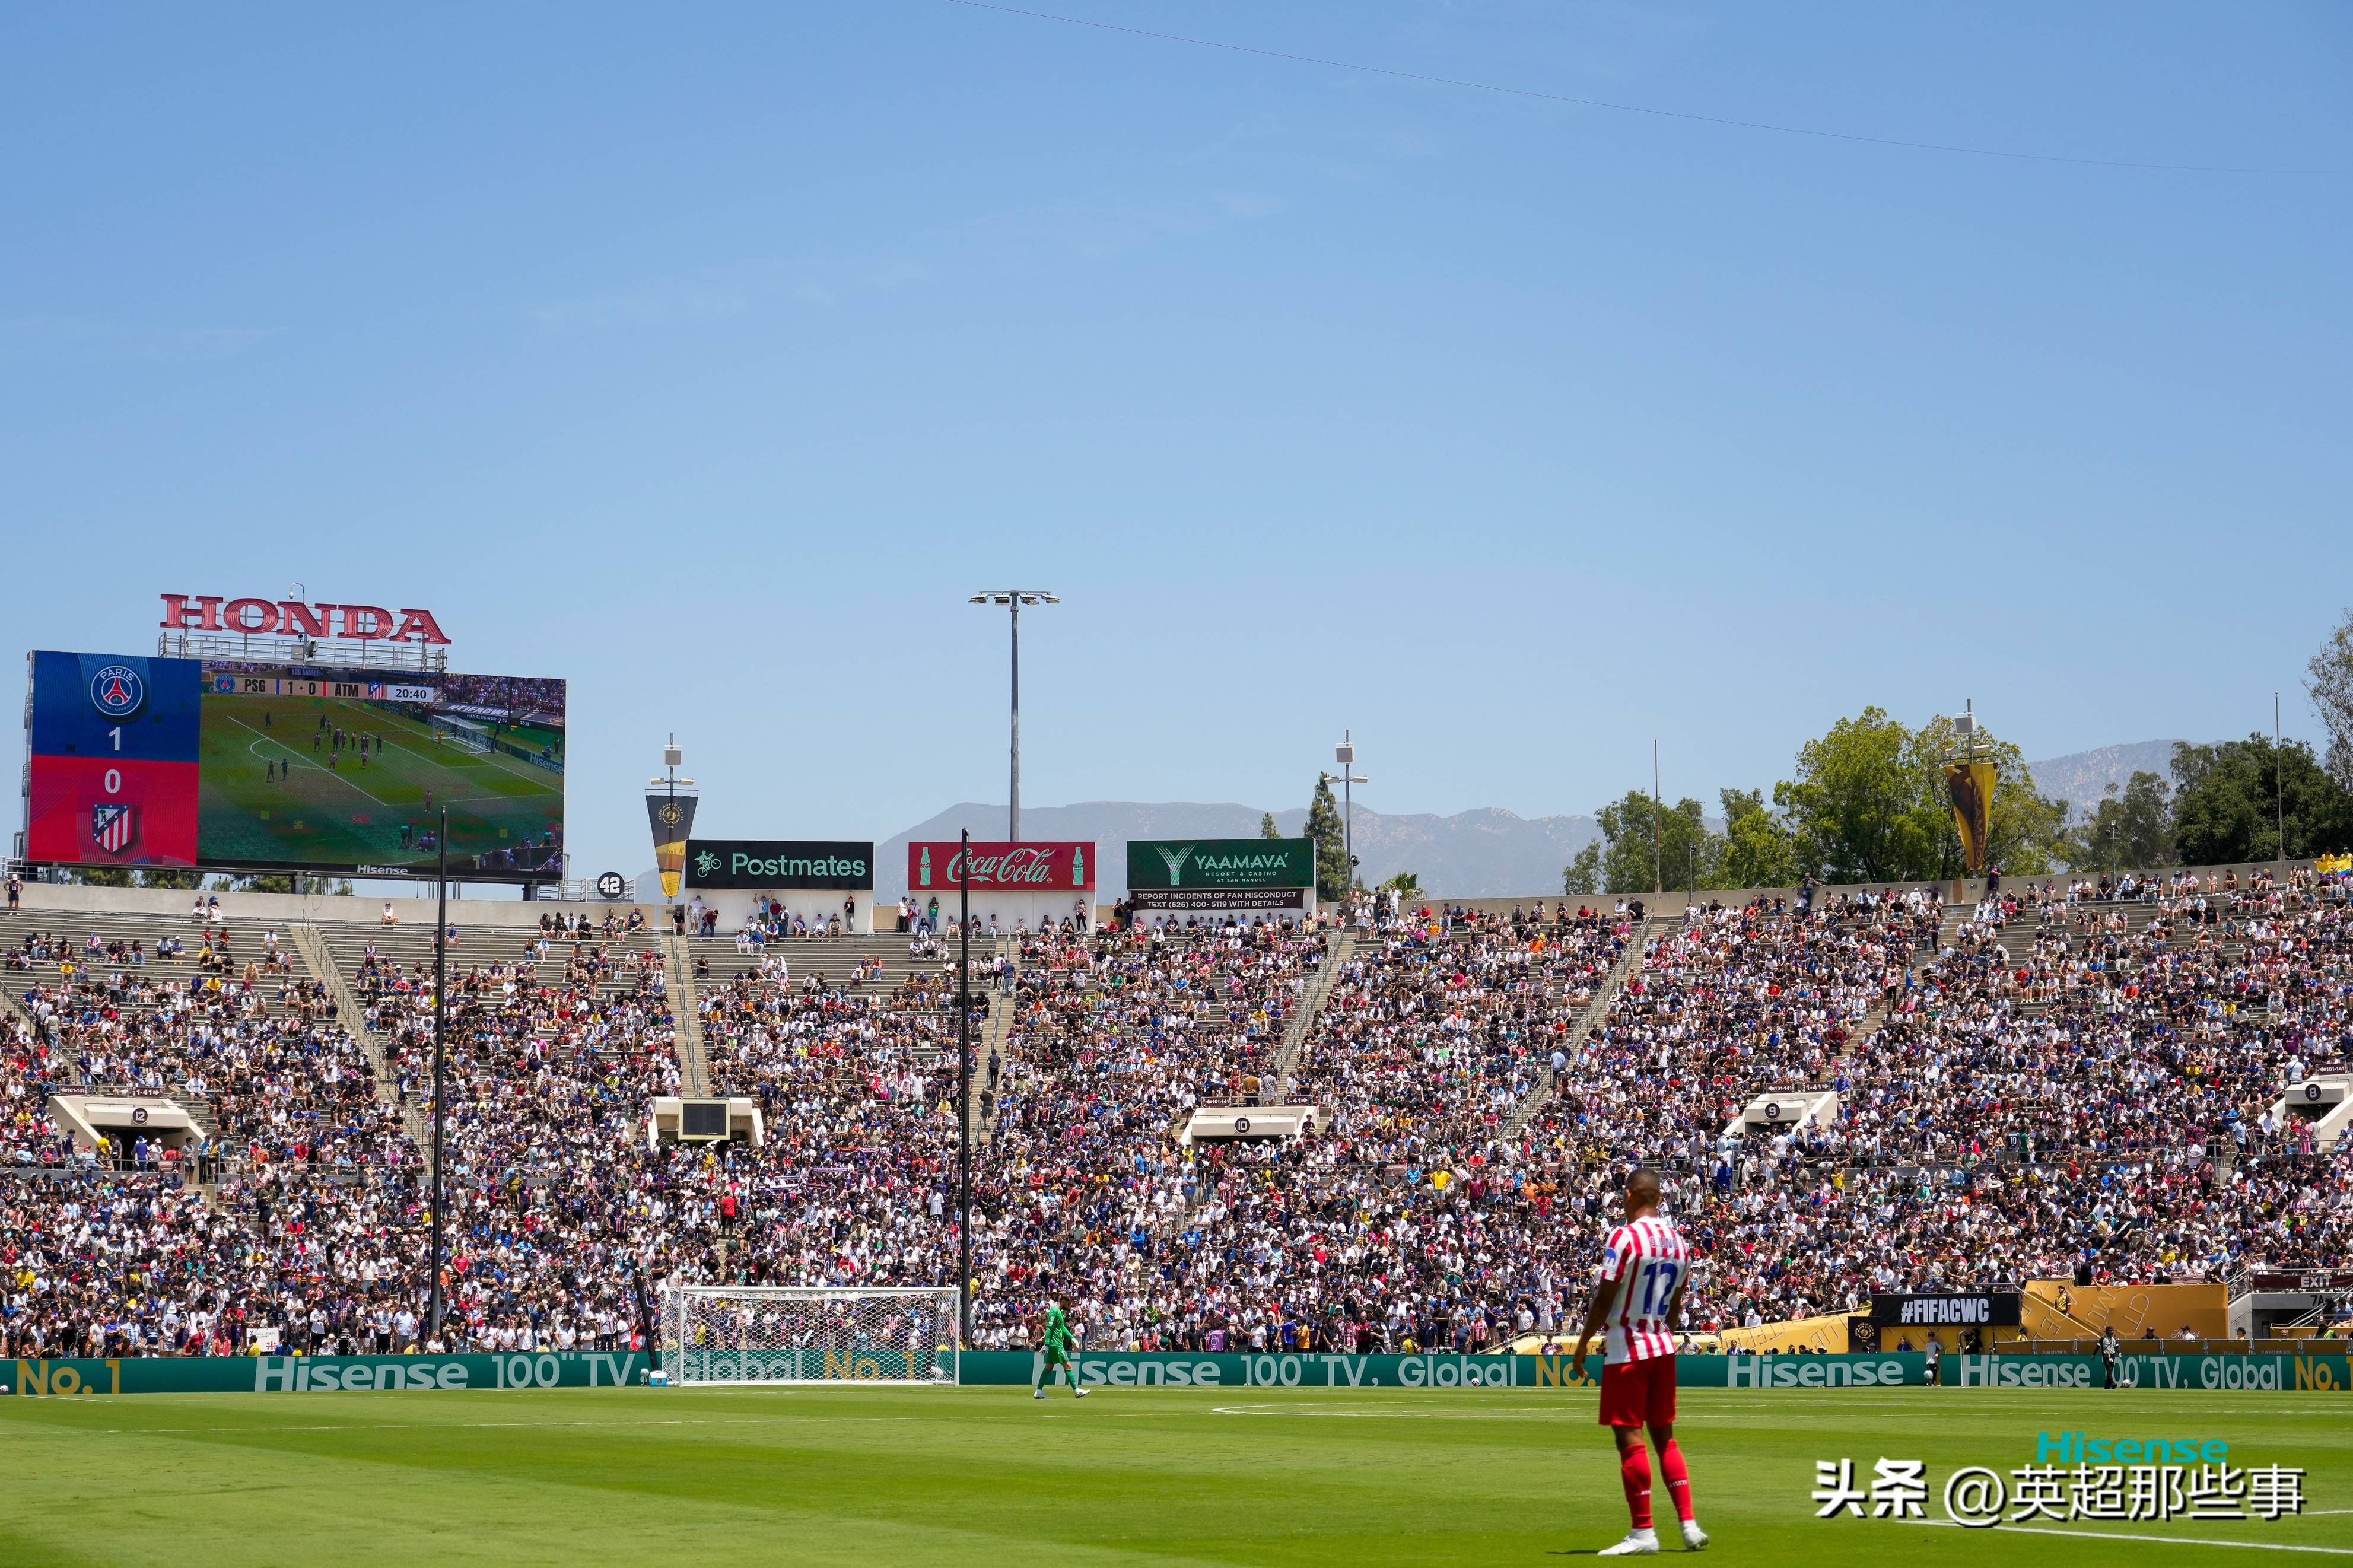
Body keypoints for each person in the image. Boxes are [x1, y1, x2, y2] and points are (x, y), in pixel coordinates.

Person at [1572, 1169, 1706, 1556]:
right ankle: (1689, 1524)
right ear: (1660, 1197)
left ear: (1630, 1194)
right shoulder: (1679, 1242)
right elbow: (1677, 1308)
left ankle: (1643, 1532)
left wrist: (1583, 1344)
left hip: (1627, 1347)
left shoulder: (1624, 1236)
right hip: (1663, 1345)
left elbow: (1604, 1296)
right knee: (1665, 1437)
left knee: (1629, 1437)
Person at [1032, 1295, 1087, 1400]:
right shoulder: (1054, 1311)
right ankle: (1077, 1391)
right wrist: (1047, 1344)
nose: (1070, 1306)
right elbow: (1049, 1328)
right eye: (1069, 1304)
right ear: (1063, 1301)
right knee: (1068, 1366)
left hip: (1055, 1343)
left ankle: (1038, 1391)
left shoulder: (1059, 1311)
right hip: (1055, 1344)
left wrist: (1072, 1338)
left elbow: (1061, 1327)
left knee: (1049, 1367)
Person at [2099, 1325, 2120, 1389]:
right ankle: (2112, 1383)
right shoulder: (2103, 1338)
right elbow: (2098, 1346)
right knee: (2109, 1370)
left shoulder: (2114, 1339)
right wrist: (2093, 1355)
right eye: (2111, 1331)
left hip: (2112, 1356)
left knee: (2110, 1370)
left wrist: (2119, 1352)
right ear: (2108, 1332)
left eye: (2113, 1330)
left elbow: (2117, 1346)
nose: (2113, 1332)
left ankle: (2107, 1385)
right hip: (2106, 1356)